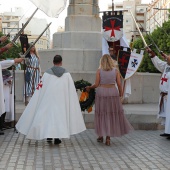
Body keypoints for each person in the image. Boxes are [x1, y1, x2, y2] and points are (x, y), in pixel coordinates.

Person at [16, 55, 86, 144]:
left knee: (49, 117)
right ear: (61, 62)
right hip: (61, 100)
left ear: (53, 62)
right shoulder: (67, 74)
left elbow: (40, 87)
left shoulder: (47, 74)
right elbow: (71, 89)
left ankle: (49, 136)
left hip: (49, 99)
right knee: (59, 118)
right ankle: (57, 137)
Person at [86, 54, 133, 146]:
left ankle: (100, 135)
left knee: (101, 114)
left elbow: (96, 84)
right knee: (110, 114)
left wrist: (89, 87)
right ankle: (108, 138)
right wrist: (121, 95)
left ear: (102, 61)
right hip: (113, 92)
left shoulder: (99, 71)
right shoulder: (116, 71)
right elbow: (119, 85)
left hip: (102, 92)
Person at [146, 48, 170, 138]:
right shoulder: (166, 66)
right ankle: (167, 131)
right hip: (164, 95)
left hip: (169, 95)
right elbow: (158, 63)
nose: (167, 58)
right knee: (165, 115)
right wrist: (152, 53)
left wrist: (166, 57)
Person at [0, 58, 24, 135]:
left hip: (6, 91)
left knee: (3, 107)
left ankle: (2, 124)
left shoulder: (7, 72)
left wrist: (9, 81)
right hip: (2, 90)